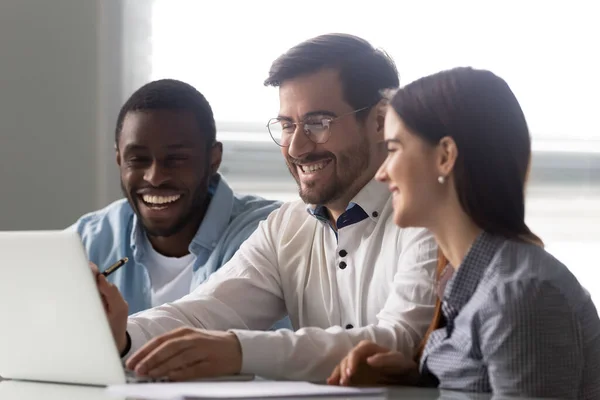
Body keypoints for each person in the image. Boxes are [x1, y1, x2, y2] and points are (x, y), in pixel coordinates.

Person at [94, 33, 438, 382]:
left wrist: (239, 351)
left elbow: (403, 339)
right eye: (287, 125)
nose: (296, 147)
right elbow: (203, 313)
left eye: (318, 123)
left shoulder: (429, 216)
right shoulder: (285, 228)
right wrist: (120, 336)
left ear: (381, 121)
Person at [327, 67, 600, 399]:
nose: (382, 173)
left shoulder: (520, 295)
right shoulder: (468, 283)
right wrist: (417, 382)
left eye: (394, 149)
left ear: (445, 156)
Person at [69, 79, 282, 314]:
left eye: (176, 159)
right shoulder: (86, 241)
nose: (155, 177)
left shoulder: (270, 234)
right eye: (138, 160)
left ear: (213, 159)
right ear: (119, 160)